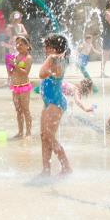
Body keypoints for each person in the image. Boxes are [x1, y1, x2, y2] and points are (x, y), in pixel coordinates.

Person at [38, 34, 72, 177]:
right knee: (44, 136)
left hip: (55, 102)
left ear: (53, 48)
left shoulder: (53, 58)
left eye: (47, 46)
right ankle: (46, 169)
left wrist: (49, 66)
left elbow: (41, 74)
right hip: (51, 102)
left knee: (48, 135)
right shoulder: (60, 59)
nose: (45, 49)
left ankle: (66, 166)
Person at [8, 36, 34, 139]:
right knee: (18, 110)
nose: (18, 46)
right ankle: (20, 132)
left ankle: (28, 132)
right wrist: (10, 68)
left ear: (27, 46)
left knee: (25, 109)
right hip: (15, 87)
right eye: (17, 44)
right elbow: (12, 72)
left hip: (24, 87)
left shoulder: (28, 58)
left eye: (21, 44)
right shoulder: (15, 56)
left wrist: (15, 66)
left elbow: (25, 73)